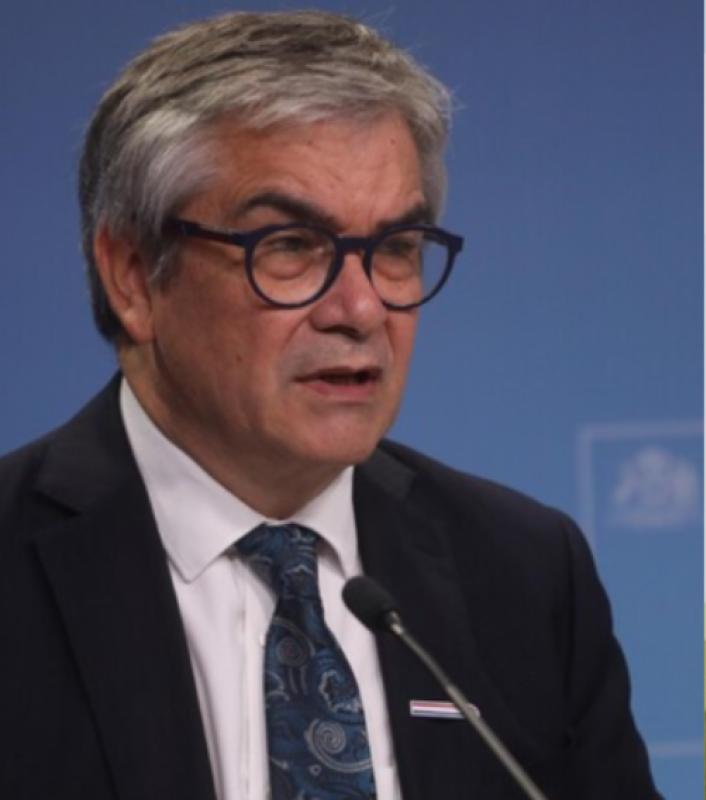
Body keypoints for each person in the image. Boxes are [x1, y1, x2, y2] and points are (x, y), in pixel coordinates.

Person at [0, 11, 658, 800]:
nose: (362, 308)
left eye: (396, 249)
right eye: (289, 246)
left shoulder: (525, 571)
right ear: (134, 276)